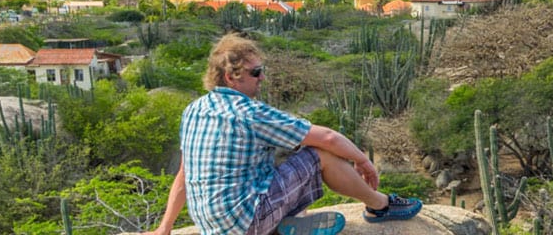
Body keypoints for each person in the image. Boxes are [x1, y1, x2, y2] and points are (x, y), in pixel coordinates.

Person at [143, 33, 422, 235]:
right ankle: (379, 206)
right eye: (256, 72)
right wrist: (363, 161)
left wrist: (164, 228)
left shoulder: (194, 109)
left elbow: (184, 172)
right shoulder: (249, 112)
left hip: (214, 227)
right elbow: (327, 138)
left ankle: (282, 223)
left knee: (272, 161)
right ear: (231, 77)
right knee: (320, 154)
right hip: (247, 224)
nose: (262, 77)